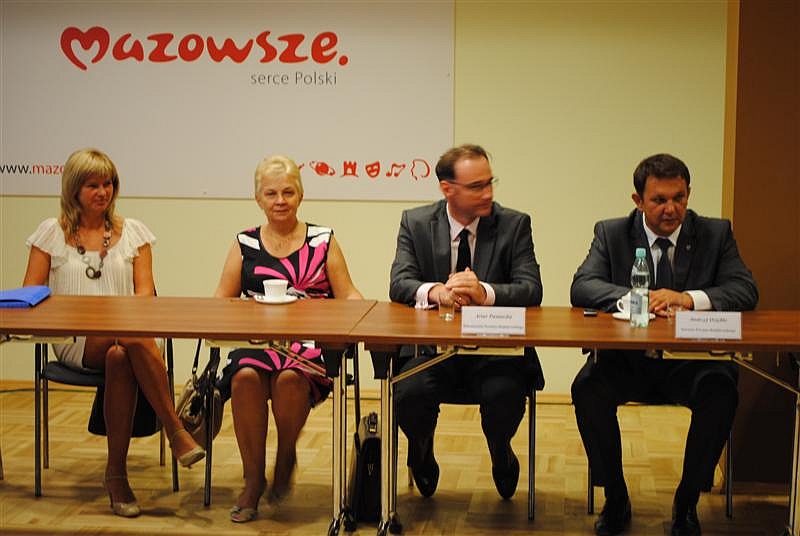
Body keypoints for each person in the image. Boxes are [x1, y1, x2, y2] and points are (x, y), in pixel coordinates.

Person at [570, 153, 758, 536]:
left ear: (688, 195)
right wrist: (639, 298)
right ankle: (616, 497)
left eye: (679, 198)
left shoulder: (715, 233)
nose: (671, 209)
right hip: (628, 361)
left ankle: (686, 501)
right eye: (659, 200)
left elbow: (745, 290)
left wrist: (688, 299)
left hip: (692, 363)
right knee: (587, 388)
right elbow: (583, 286)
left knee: (722, 391)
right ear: (638, 201)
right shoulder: (611, 233)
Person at [22, 148, 205, 518]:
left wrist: (120, 320)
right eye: (93, 185)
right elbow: (31, 294)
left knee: (121, 354)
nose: (102, 192)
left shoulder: (134, 232)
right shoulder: (51, 233)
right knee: (129, 335)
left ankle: (116, 477)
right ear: (74, 188)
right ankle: (175, 428)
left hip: (129, 338)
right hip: (75, 340)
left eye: (108, 184)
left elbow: (145, 296)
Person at [389, 143, 544, 500]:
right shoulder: (416, 222)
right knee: (409, 392)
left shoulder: (514, 224)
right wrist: (435, 291)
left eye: (490, 182)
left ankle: (501, 451)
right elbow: (400, 282)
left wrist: (484, 292)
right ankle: (421, 450)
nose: (488, 193)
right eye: (477, 186)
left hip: (494, 352)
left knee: (505, 394)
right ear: (447, 188)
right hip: (431, 351)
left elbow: (531, 288)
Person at [214, 155, 363, 523]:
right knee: (244, 378)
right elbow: (221, 301)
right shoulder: (245, 242)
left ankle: (285, 455)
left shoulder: (323, 240)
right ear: (258, 199)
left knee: (289, 379)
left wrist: (362, 314)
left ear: (300, 195)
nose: (280, 200)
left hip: (308, 345)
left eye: (288, 192)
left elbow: (349, 294)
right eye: (271, 193)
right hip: (257, 342)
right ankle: (252, 480)